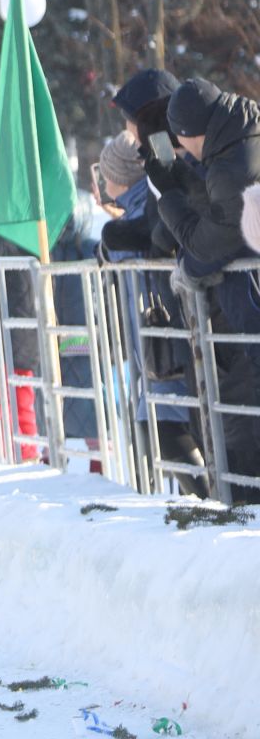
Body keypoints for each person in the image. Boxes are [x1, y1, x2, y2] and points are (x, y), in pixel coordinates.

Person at [151, 78, 260, 498]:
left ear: (188, 133)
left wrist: (168, 197)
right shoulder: (239, 137)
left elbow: (206, 249)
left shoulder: (234, 168)